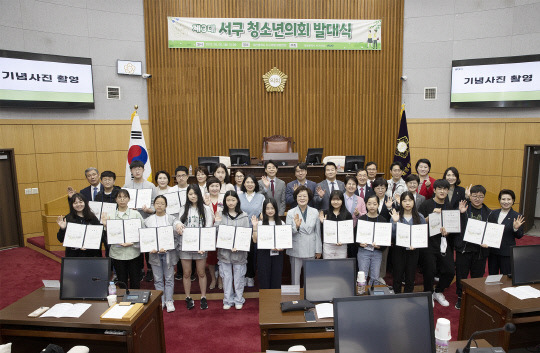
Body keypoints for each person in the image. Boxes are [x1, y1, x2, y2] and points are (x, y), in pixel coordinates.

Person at [418, 179, 455, 307]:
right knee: (430, 270)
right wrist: (431, 216)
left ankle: (438, 291)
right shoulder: (426, 204)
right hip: (428, 242)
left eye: (445, 189)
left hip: (443, 242)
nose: (442, 191)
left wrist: (447, 232)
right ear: (434, 190)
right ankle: (428, 293)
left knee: (450, 271)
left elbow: (452, 226)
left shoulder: (449, 206)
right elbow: (419, 223)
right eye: (439, 188)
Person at [177, 184, 214, 310]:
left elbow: (208, 228)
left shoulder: (206, 209)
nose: (193, 196)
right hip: (185, 246)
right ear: (187, 195)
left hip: (201, 247)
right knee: (186, 273)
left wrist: (203, 245)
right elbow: (179, 224)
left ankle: (203, 297)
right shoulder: (183, 208)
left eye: (195, 193)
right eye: (190, 194)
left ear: (199, 194)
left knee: (201, 272)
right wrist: (178, 227)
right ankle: (188, 297)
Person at [454, 185, 491, 309]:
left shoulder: (489, 213)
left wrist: (488, 242)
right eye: (474, 196)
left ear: (484, 197)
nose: (477, 199)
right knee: (461, 275)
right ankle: (460, 297)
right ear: (470, 196)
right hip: (464, 249)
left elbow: (492, 232)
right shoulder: (463, 207)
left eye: (480, 196)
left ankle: (474, 297)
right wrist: (461, 213)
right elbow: (454, 225)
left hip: (480, 250)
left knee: (477, 276)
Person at [144, 195, 182, 312]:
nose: (159, 205)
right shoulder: (148, 220)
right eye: (157, 203)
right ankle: (161, 300)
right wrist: (150, 247)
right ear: (154, 205)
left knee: (169, 277)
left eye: (162, 203)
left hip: (168, 254)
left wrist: (179, 226)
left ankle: (169, 300)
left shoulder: (171, 219)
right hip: (154, 253)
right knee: (158, 278)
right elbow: (145, 237)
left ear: (166, 206)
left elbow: (177, 229)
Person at [214, 191, 252, 310]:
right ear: (225, 201)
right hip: (224, 253)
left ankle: (238, 299)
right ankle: (228, 299)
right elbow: (216, 234)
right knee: (226, 277)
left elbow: (246, 235)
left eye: (233, 200)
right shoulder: (220, 214)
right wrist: (217, 222)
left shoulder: (244, 216)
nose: (231, 203)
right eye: (228, 200)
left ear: (237, 201)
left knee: (239, 277)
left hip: (239, 253)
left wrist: (239, 246)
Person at [123, 160, 158, 282]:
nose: (137, 171)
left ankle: (150, 270)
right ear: (131, 171)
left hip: (147, 220)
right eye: (134, 169)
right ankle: (139, 270)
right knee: (135, 247)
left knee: (148, 247)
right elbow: (121, 204)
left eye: (139, 168)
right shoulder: (126, 187)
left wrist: (150, 210)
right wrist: (128, 208)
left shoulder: (151, 186)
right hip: (132, 223)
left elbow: (156, 203)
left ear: (143, 170)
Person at [102, 189, 143, 290]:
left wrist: (132, 242)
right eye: (119, 197)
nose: (122, 199)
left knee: (135, 280)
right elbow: (107, 235)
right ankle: (124, 302)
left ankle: (136, 302)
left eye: (125, 197)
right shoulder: (110, 216)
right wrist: (105, 224)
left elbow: (142, 232)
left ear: (129, 199)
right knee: (122, 280)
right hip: (117, 253)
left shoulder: (136, 214)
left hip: (133, 252)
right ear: (116, 199)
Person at [390, 191, 426, 293]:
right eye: (404, 200)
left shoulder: (420, 217)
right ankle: (396, 295)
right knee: (397, 275)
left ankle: (407, 297)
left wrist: (416, 244)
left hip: (413, 250)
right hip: (399, 249)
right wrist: (395, 222)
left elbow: (423, 235)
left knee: (410, 276)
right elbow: (392, 235)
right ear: (401, 202)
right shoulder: (395, 215)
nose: (407, 203)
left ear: (413, 202)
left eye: (410, 200)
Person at [286, 186, 322, 285]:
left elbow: (317, 232)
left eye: (304, 196)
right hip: (296, 248)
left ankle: (310, 297)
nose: (302, 198)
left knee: (310, 277)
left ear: (309, 198)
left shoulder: (315, 212)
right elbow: (287, 233)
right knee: (295, 277)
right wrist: (296, 227)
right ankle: (296, 298)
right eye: (299, 196)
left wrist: (318, 249)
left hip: (311, 247)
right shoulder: (290, 212)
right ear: (296, 198)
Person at [487, 189, 525, 276]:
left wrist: (515, 228)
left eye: (509, 199)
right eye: (503, 199)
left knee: (506, 278)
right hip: (493, 252)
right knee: (492, 276)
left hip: (506, 253)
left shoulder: (517, 216)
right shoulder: (493, 213)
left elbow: (519, 236)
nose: (506, 202)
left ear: (513, 201)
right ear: (499, 200)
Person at [56, 193, 103, 257]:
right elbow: (60, 239)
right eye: (75, 203)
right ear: (72, 205)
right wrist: (63, 229)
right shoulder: (68, 218)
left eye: (80, 202)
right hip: (74, 255)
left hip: (91, 254)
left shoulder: (92, 217)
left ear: (85, 203)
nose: (78, 205)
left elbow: (99, 235)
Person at [239, 174, 265, 287]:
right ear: (244, 183)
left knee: (253, 254)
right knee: (242, 254)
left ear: (256, 184)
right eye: (247, 182)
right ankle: (243, 276)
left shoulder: (261, 197)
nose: (250, 184)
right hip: (242, 230)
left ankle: (250, 276)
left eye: (252, 182)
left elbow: (263, 214)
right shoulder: (239, 196)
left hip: (255, 230)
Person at [253, 197, 285, 289]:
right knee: (264, 278)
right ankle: (265, 302)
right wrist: (255, 227)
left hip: (277, 253)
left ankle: (275, 301)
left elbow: (284, 240)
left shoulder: (281, 223)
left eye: (272, 208)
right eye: (267, 208)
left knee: (276, 277)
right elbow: (255, 240)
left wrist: (282, 247)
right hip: (264, 254)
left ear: (276, 209)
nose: (270, 210)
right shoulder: (260, 223)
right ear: (264, 210)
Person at [357, 194, 388, 286]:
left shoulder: (383, 220)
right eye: (369, 204)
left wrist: (380, 246)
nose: (372, 206)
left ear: (378, 205)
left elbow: (386, 239)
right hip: (363, 251)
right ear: (366, 204)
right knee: (363, 275)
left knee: (375, 276)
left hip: (377, 252)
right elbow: (355, 237)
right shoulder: (361, 219)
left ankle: (372, 295)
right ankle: (361, 295)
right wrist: (359, 244)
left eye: (374, 204)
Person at [371, 177, 395, 284]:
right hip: (371, 232)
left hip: (385, 233)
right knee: (370, 253)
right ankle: (370, 274)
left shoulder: (390, 200)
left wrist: (389, 208)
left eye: (383, 187)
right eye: (378, 187)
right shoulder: (370, 199)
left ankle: (381, 275)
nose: (380, 190)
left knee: (383, 255)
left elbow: (394, 218)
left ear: (386, 188)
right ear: (374, 189)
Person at [170, 165, 190, 280]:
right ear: (175, 178)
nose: (181, 178)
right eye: (178, 176)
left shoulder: (192, 189)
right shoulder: (171, 191)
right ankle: (179, 271)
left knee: (189, 246)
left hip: (189, 222)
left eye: (183, 175)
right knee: (177, 247)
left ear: (187, 176)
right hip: (175, 221)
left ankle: (190, 273)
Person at [319, 190, 352, 259]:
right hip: (328, 246)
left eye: (338, 200)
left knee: (340, 267)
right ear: (330, 200)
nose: (336, 202)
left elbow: (349, 232)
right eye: (333, 199)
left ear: (342, 201)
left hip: (342, 246)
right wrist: (323, 223)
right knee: (328, 267)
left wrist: (343, 240)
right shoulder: (325, 213)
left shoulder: (347, 214)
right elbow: (321, 232)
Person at [203, 177, 223, 290]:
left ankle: (220, 279)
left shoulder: (224, 198)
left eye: (216, 186)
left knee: (221, 257)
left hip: (221, 231)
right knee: (211, 258)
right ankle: (213, 279)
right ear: (208, 188)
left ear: (220, 187)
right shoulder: (204, 199)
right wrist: (205, 205)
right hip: (209, 232)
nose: (214, 188)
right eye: (212, 186)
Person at [342, 175, 367, 259]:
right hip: (342, 230)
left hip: (355, 230)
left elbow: (365, 215)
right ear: (345, 185)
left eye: (353, 184)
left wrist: (358, 214)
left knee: (353, 255)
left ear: (356, 187)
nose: (351, 186)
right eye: (349, 184)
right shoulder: (340, 198)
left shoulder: (360, 200)